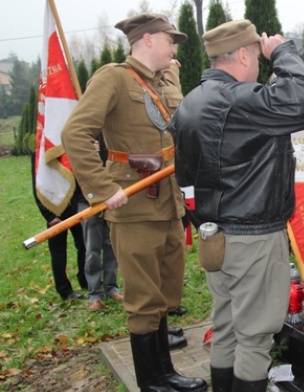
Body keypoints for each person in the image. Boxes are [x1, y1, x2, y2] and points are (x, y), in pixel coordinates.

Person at [169, 19, 304, 392]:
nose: (258, 64)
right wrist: (283, 53)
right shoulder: (239, 99)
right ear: (242, 54)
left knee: (225, 327)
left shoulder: (191, 102)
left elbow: (185, 180)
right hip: (253, 236)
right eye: (256, 56)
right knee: (255, 337)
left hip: (215, 238)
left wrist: (205, 222)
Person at [61, 13, 206, 392]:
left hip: (168, 203)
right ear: (149, 40)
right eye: (170, 40)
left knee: (163, 295)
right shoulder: (113, 77)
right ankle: (152, 382)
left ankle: (166, 373)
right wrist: (103, 187)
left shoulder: (161, 81)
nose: (174, 49)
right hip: (134, 206)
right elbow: (75, 133)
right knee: (143, 300)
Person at [31, 152, 87, 301]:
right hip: (54, 210)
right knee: (58, 252)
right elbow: (38, 185)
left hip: (76, 206)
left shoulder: (68, 146)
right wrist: (49, 216)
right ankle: (64, 290)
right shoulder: (41, 151)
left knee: (84, 245)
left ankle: (85, 280)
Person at [78, 136, 123, 312]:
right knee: (92, 250)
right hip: (88, 201)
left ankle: (112, 288)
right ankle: (94, 295)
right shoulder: (80, 136)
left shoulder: (109, 134)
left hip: (111, 198)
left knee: (111, 245)